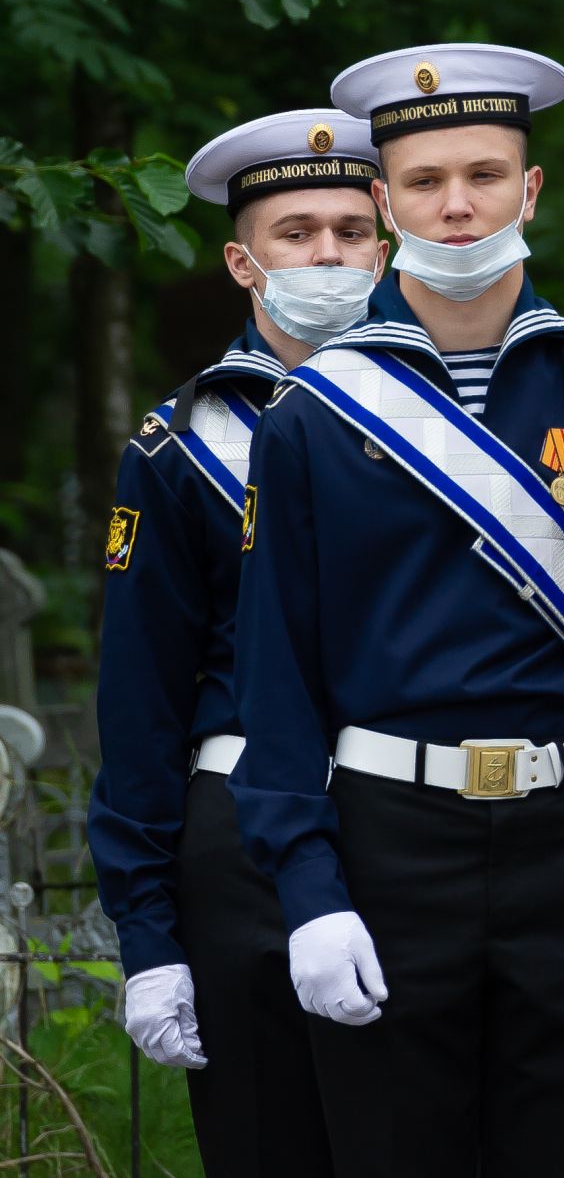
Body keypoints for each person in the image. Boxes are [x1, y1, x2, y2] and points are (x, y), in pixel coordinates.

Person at [229, 43, 564, 1177]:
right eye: (426, 180)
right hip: (389, 848)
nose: (457, 205)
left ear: (530, 190)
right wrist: (308, 888)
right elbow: (276, 672)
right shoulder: (307, 416)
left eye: (486, 174)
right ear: (384, 201)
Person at [88, 108, 384, 1177]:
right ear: (242, 261)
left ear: (388, 243)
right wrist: (149, 934)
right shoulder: (179, 451)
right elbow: (141, 700)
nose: (328, 255)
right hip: (241, 843)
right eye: (297, 232)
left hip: (423, 819)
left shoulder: (465, 417)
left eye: (352, 231)